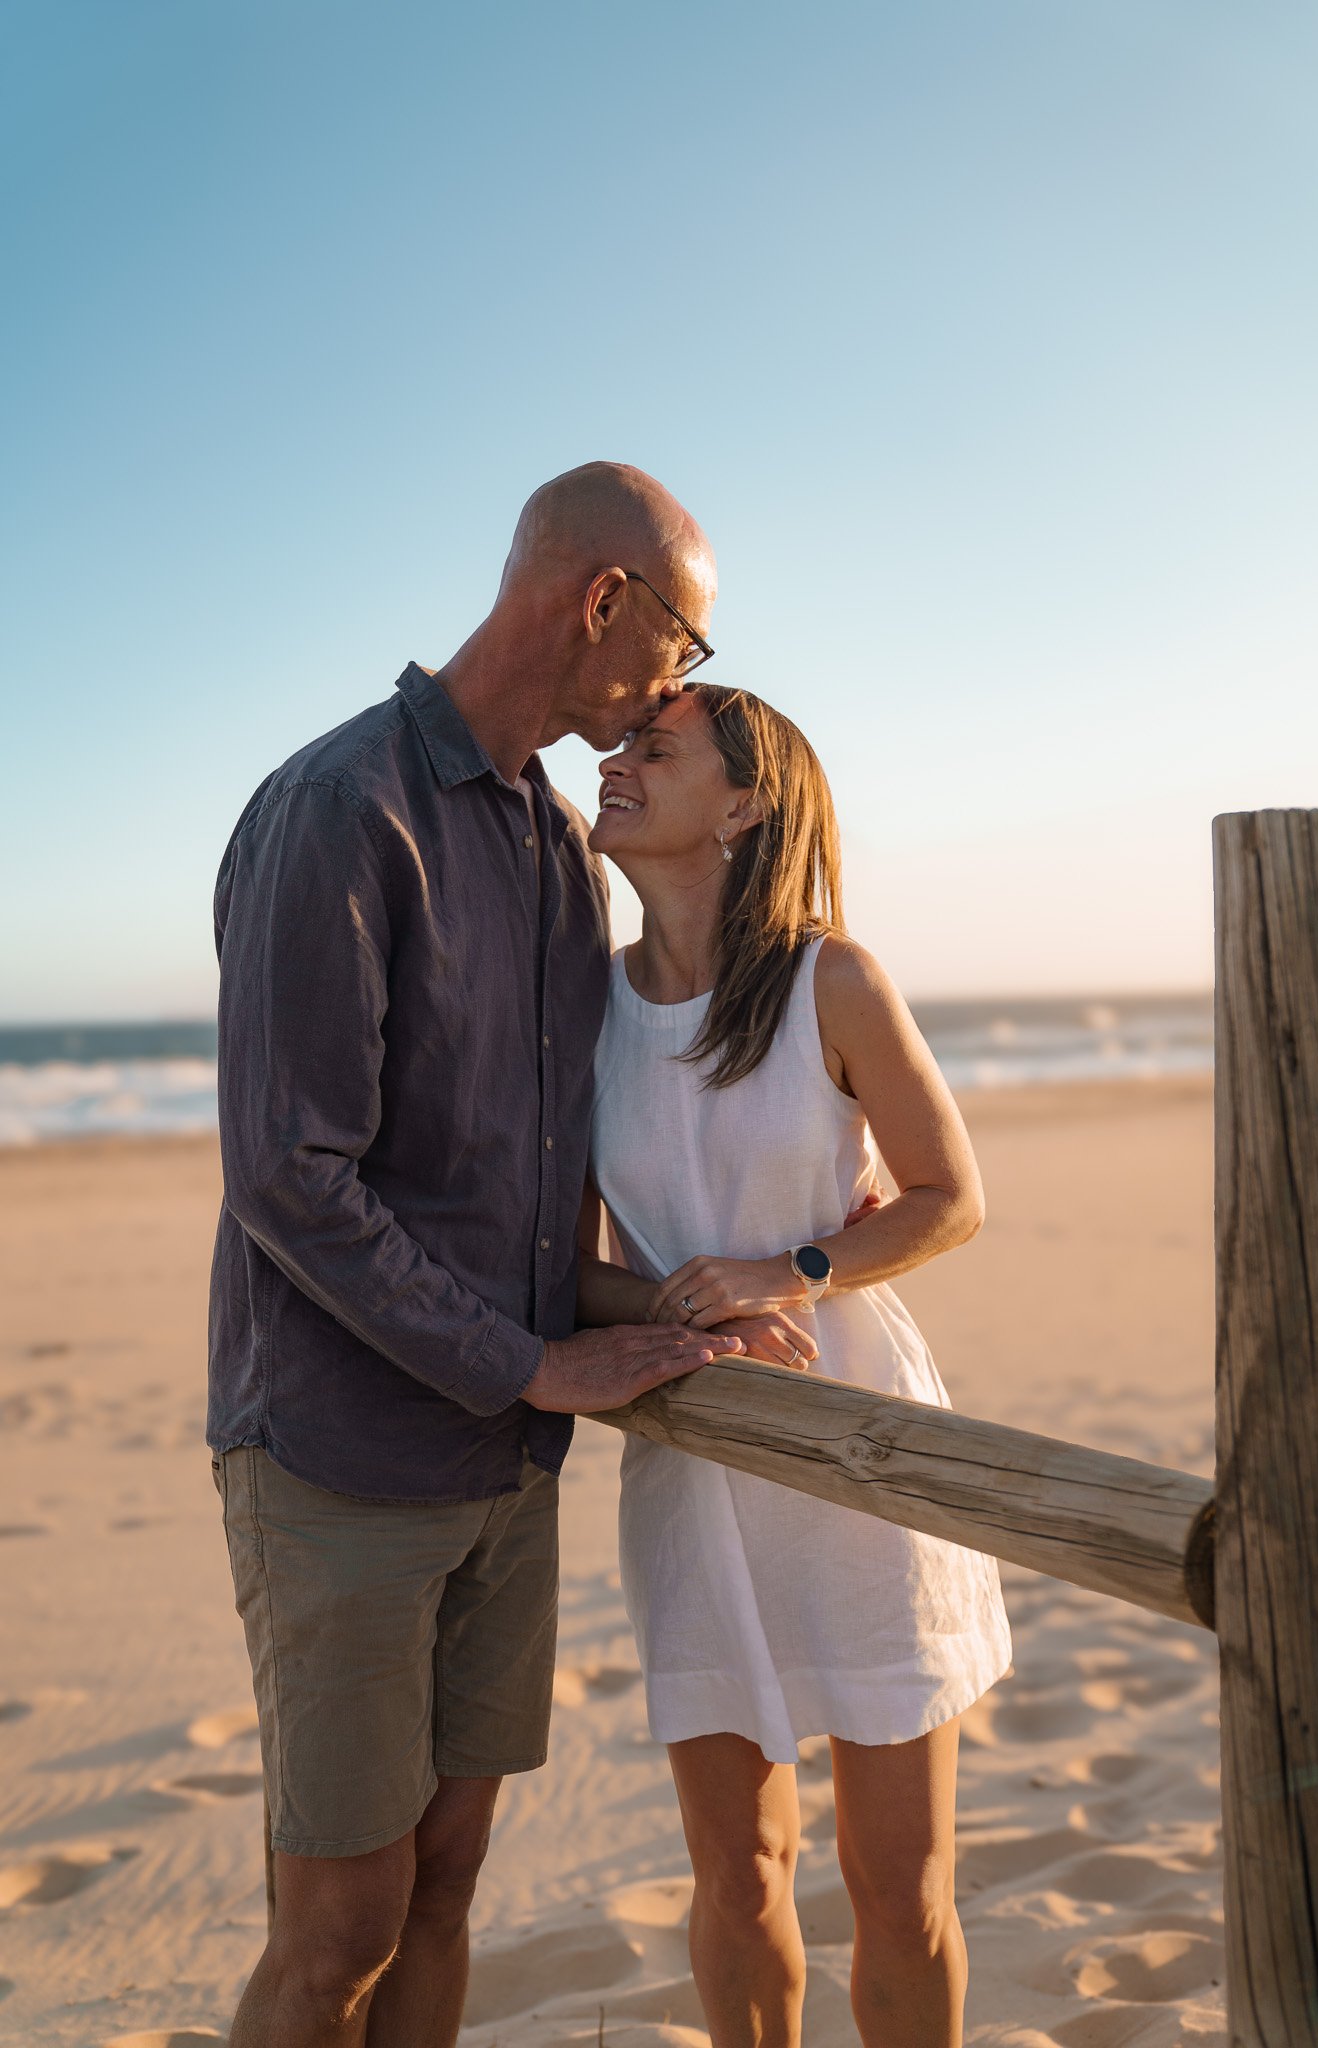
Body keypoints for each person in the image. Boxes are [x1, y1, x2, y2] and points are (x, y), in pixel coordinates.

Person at [207, 464, 785, 2048]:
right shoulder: (340, 811)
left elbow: (527, 1182)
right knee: (336, 1929)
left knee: (448, 1886)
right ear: (606, 602)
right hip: (338, 1455)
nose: (685, 677)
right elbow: (288, 1174)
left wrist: (688, 1312)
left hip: (503, 1470)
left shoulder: (548, 833)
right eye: (685, 636)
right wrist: (531, 1362)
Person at [579, 685, 1013, 2048]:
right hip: (694, 1462)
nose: (615, 761)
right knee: (737, 1872)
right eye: (619, 744)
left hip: (857, 1458)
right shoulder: (579, 1012)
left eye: (656, 748)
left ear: (746, 802)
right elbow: (555, 1261)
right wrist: (669, 1307)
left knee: (897, 1884)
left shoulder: (831, 977)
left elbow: (948, 1195)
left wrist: (794, 1269)